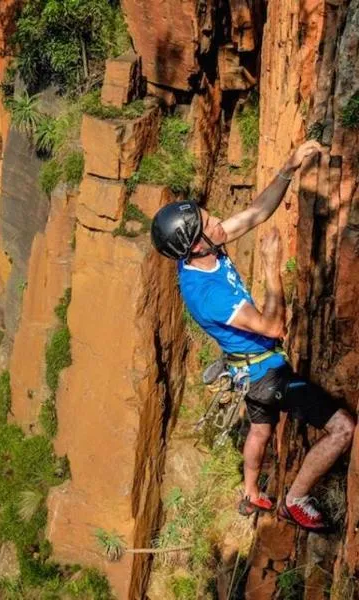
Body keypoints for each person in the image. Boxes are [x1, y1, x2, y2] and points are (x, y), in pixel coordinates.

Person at [150, 140, 355, 532]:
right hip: (267, 376)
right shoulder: (209, 296)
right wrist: (271, 268)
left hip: (246, 372)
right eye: (209, 224)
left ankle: (250, 492)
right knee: (343, 427)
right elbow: (274, 327)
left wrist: (287, 169)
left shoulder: (201, 250)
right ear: (195, 244)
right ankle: (295, 500)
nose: (218, 224)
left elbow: (255, 213)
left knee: (261, 429)